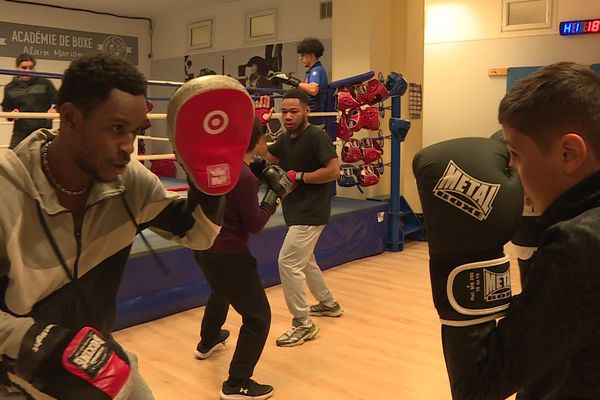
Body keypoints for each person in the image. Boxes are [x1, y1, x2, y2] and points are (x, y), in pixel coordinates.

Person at [0, 54, 252, 399]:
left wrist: (209, 177)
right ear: (71, 118)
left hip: (97, 360)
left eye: (134, 132)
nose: (127, 147)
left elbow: (199, 235)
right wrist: (42, 346)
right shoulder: (5, 190)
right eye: (117, 129)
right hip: (14, 376)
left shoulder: (128, 182)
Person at [415, 62, 600, 399]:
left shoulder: (580, 243)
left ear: (569, 153)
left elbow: (479, 385)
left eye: (515, 154)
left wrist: (464, 256)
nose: (510, 169)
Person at [193, 116, 293, 400]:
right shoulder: (245, 176)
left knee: (219, 292)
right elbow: (255, 223)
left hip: (203, 248)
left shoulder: (218, 166)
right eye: (264, 138)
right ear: (257, 142)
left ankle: (208, 341)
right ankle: (237, 384)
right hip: (230, 255)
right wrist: (274, 196)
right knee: (258, 317)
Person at [263, 88, 342, 347]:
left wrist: (300, 177)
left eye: (293, 111)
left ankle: (302, 323)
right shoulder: (287, 139)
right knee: (306, 261)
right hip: (296, 210)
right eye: (283, 111)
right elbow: (265, 157)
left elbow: (333, 171)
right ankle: (329, 304)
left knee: (287, 262)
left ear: (307, 111)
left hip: (311, 211)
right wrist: (261, 124)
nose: (287, 116)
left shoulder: (316, 136)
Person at [1, 53, 58, 149]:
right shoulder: (9, 88)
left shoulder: (45, 83)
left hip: (43, 130)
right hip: (21, 131)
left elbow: (60, 100)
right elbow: (6, 109)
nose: (28, 71)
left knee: (49, 157)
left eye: (31, 68)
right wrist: (11, 114)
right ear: (17, 68)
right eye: (24, 68)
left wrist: (55, 109)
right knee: (11, 157)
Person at [269, 38, 328, 127]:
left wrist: (291, 80)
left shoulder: (317, 70)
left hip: (315, 117)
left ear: (311, 55)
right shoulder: (311, 71)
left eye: (303, 55)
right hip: (311, 116)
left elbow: (313, 89)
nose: (301, 58)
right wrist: (290, 82)